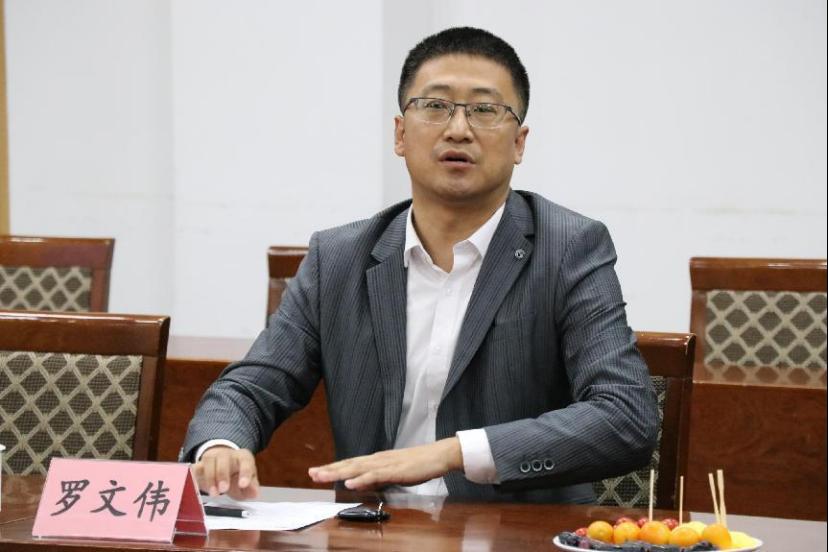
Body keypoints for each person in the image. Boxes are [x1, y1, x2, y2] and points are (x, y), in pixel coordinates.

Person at [182, 26, 658, 503]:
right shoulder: (339, 257)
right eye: (435, 106)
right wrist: (222, 444)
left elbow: (626, 415)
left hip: (508, 528)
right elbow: (252, 385)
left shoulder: (568, 248)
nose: (458, 129)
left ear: (519, 143)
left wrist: (455, 453)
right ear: (400, 134)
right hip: (370, 527)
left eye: (485, 110)